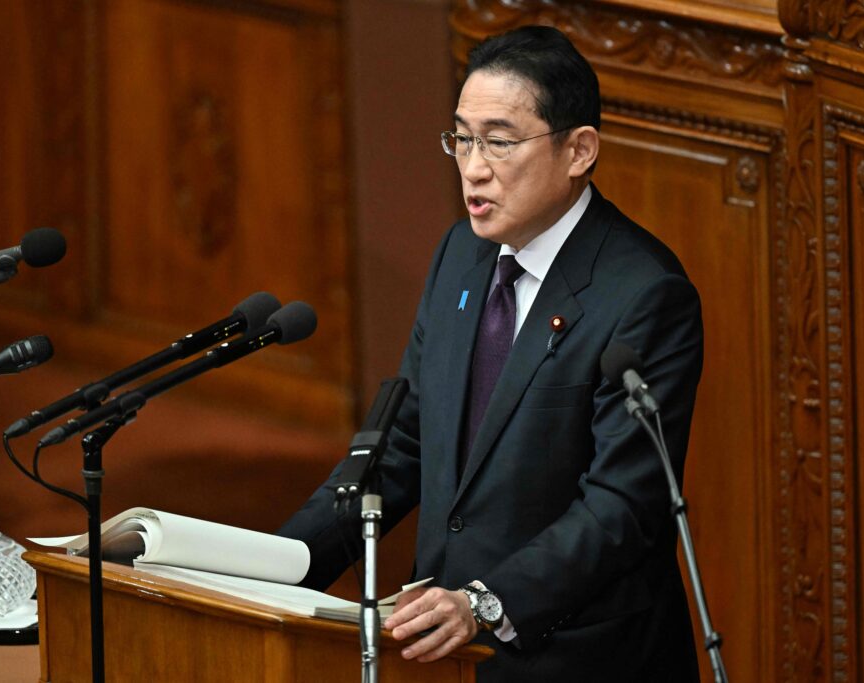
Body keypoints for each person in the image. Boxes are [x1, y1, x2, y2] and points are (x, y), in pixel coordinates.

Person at [279, 25, 703, 682]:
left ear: (579, 150)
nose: (473, 166)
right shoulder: (461, 256)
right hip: (450, 654)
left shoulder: (645, 294)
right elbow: (401, 448)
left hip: (577, 657)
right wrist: (274, 566)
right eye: (462, 139)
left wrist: (484, 602)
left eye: (499, 142)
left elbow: (621, 504)